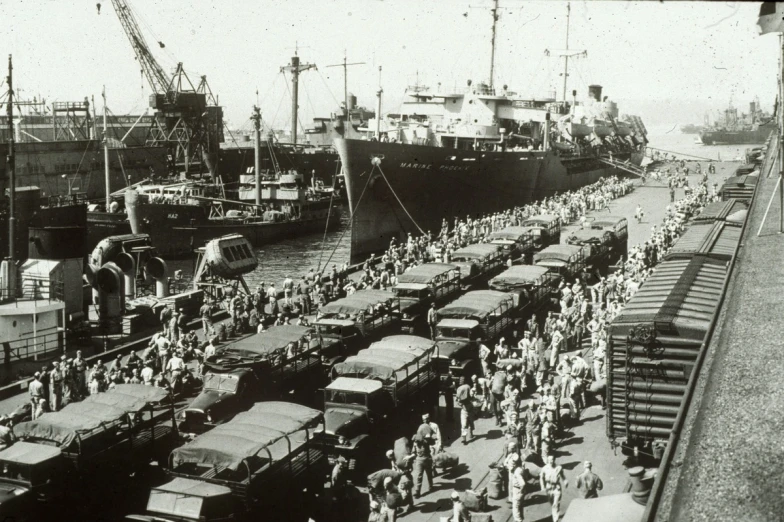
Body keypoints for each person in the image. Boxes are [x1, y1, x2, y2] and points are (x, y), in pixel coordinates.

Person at [540, 455, 567, 522]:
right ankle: (554, 514)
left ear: (554, 460)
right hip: (549, 488)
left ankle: (555, 519)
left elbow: (563, 476)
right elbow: (541, 478)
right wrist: (542, 486)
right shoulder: (544, 468)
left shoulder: (559, 468)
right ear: (547, 461)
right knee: (552, 504)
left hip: (556, 488)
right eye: (549, 460)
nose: (551, 461)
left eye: (552, 460)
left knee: (556, 504)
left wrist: (565, 481)